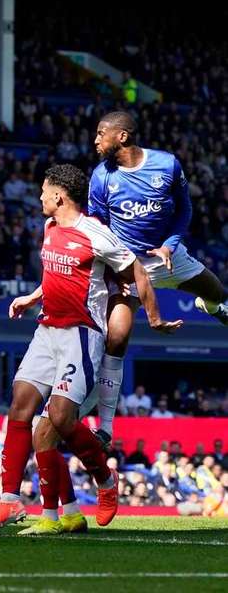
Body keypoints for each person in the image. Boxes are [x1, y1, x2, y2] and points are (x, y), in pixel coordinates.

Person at [0, 164, 181, 535]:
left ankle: (104, 478)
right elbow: (55, 274)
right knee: (19, 405)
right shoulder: (49, 227)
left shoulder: (96, 235)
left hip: (81, 335)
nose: (40, 196)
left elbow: (137, 271)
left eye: (44, 190)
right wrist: (32, 297)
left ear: (59, 195)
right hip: (46, 330)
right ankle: (9, 501)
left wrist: (153, 317)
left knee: (59, 417)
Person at [86, 111, 228, 445]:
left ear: (122, 136)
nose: (96, 140)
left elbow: (184, 210)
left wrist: (169, 245)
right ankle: (105, 427)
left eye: (101, 133)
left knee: (218, 293)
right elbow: (97, 227)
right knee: (117, 338)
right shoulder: (101, 177)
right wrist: (114, 264)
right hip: (128, 267)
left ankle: (211, 308)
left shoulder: (166, 165)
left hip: (169, 257)